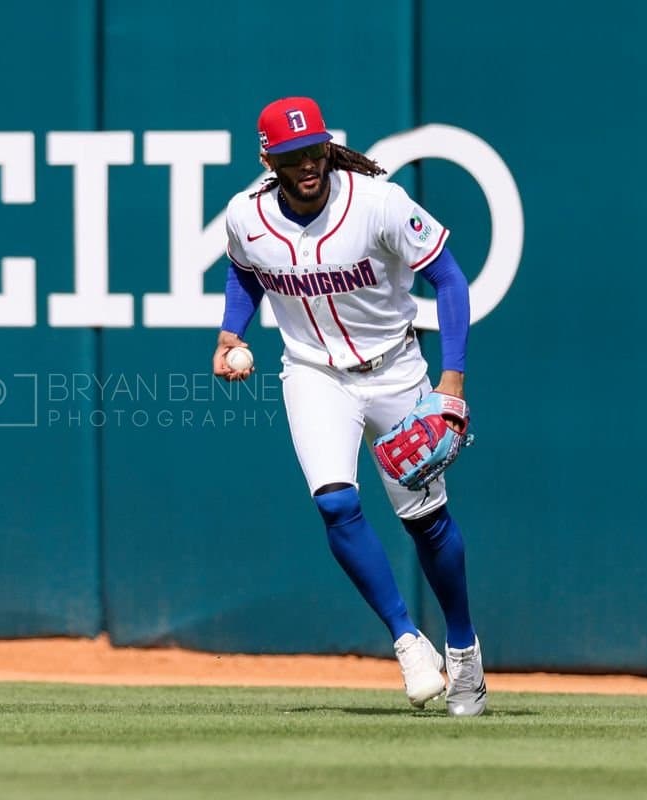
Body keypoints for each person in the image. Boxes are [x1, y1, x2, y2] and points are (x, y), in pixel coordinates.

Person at [214, 96, 486, 716]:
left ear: (327, 146)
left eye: (313, 149)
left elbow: (450, 278)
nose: (306, 164)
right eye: (291, 155)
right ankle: (407, 640)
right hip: (312, 372)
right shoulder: (246, 215)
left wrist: (452, 383)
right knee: (335, 502)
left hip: (396, 370)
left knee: (426, 521)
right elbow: (246, 270)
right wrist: (233, 331)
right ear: (269, 159)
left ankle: (465, 647)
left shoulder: (377, 203)